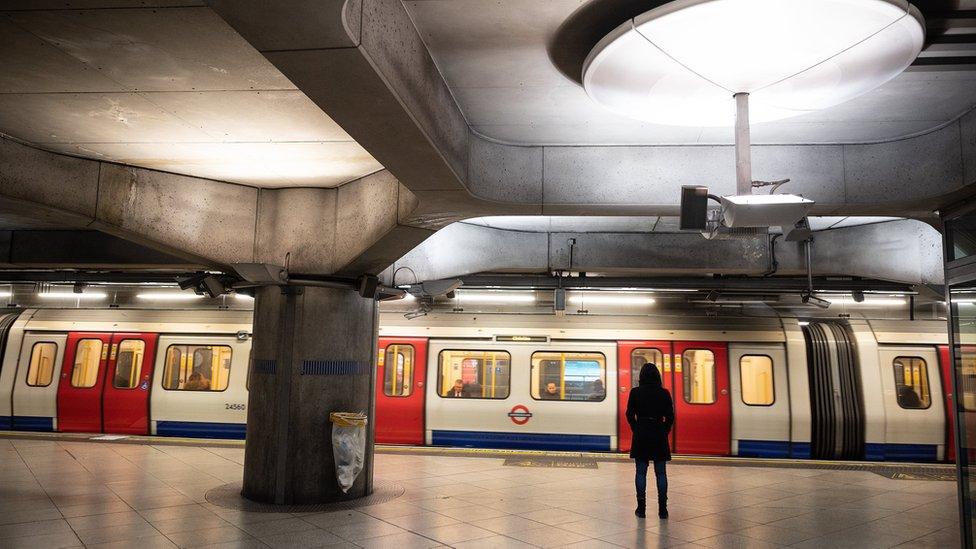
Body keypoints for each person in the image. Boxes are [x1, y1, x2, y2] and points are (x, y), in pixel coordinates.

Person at [626, 363, 673, 519]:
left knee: (641, 472)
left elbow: (629, 414)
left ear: (641, 377)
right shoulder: (664, 393)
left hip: (642, 432)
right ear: (658, 376)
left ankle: (641, 508)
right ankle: (663, 510)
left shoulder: (635, 392)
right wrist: (664, 430)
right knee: (661, 473)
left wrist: (636, 427)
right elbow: (670, 417)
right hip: (659, 432)